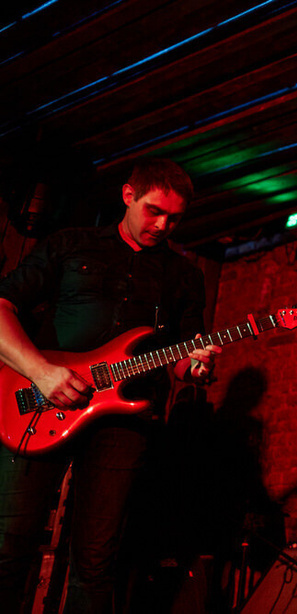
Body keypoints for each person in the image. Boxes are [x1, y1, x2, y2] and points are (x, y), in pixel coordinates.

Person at [0, 158, 220, 614]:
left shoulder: (185, 277)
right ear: (128, 195)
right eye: (154, 210)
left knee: (98, 561)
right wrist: (41, 371)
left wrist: (195, 368)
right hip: (39, 403)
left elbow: (180, 360)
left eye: (175, 218)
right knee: (8, 545)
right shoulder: (70, 244)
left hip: (124, 424)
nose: (162, 225)